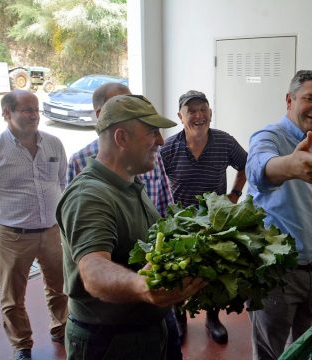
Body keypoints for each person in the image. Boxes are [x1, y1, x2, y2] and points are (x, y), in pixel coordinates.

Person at [56, 94, 206, 359]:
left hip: (151, 327)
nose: (161, 140)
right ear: (121, 138)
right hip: (111, 341)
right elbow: (93, 270)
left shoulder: (130, 182)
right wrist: (142, 286)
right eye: (151, 132)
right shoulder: (90, 195)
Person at [245, 70, 312, 360]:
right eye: (309, 98)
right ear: (289, 100)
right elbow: (257, 168)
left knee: (304, 343)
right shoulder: (270, 136)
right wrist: (289, 166)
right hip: (277, 273)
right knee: (270, 350)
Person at [160, 90, 248, 344]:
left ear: (210, 113)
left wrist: (234, 195)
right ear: (180, 116)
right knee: (179, 273)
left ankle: (212, 318)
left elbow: (246, 164)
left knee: (213, 272)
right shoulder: (168, 147)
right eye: (192, 111)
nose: (199, 116)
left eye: (203, 110)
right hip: (181, 223)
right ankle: (179, 317)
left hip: (214, 222)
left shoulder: (224, 142)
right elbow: (153, 177)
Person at [0, 90, 68, 360]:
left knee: (59, 287)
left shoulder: (53, 143)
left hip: (51, 231)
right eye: (26, 110)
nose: (33, 115)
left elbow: (61, 182)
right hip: (13, 236)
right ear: (7, 114)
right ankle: (22, 345)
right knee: (12, 297)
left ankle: (61, 328)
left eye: (36, 109)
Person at [67, 82, 174, 217]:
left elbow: (166, 204)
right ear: (100, 114)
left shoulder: (151, 152)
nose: (160, 141)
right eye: (120, 103)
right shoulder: (79, 163)